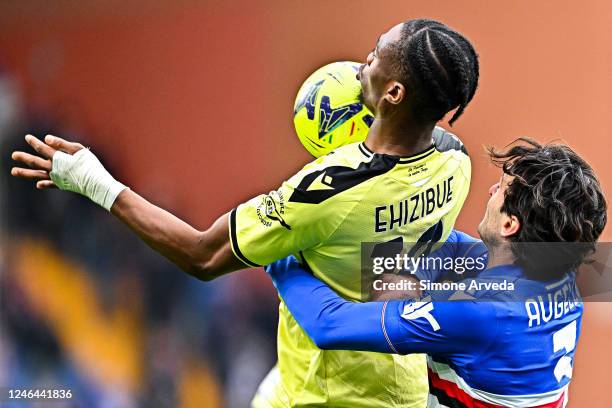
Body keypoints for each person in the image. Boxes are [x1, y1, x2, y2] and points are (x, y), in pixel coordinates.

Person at [10, 19, 479, 407]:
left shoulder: (328, 192)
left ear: (394, 94)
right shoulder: (457, 164)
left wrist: (95, 182)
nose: (362, 64)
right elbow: (380, 227)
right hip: (393, 382)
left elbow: (201, 255)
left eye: (376, 55)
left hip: (329, 394)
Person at [265, 139, 607, 408]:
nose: (491, 190)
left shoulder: (479, 311)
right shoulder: (558, 274)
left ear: (509, 224)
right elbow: (455, 246)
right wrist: (415, 270)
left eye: (501, 188)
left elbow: (329, 326)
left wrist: (279, 254)